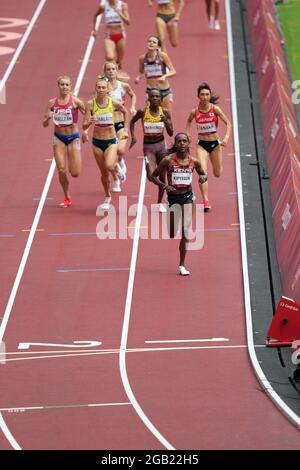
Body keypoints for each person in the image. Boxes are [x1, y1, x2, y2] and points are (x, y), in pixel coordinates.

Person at [151, 132, 207, 275]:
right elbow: (153, 176)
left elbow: (203, 174)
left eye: (184, 141)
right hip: (173, 199)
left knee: (185, 230)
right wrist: (164, 186)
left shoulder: (194, 161)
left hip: (188, 197)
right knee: (171, 233)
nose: (182, 143)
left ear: (188, 143)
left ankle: (182, 265)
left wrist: (202, 178)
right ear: (175, 144)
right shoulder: (167, 160)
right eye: (179, 141)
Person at [82, 76, 128, 210]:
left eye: (103, 87)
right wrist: (89, 121)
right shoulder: (90, 104)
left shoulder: (113, 103)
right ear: (95, 89)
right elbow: (84, 126)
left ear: (107, 89)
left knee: (109, 164)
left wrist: (125, 129)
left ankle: (117, 168)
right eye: (99, 87)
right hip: (97, 142)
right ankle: (107, 197)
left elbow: (125, 112)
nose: (101, 90)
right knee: (103, 174)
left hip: (111, 140)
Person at [185, 82, 231, 212]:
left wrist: (226, 137)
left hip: (215, 145)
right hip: (202, 145)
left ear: (210, 95)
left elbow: (228, 123)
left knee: (217, 173)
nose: (204, 97)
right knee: (202, 173)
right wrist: (187, 133)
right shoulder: (194, 112)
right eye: (202, 95)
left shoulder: (215, 109)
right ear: (198, 96)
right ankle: (206, 200)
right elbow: (188, 121)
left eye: (207, 94)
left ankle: (216, 166)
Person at [43, 75, 85, 208]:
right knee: (61, 170)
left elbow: (88, 116)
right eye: (62, 84)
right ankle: (67, 196)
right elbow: (44, 124)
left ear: (70, 86)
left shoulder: (76, 102)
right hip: (58, 138)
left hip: (73, 137)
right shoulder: (51, 103)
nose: (64, 87)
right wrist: (47, 119)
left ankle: (68, 193)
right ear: (58, 86)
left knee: (75, 173)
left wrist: (86, 130)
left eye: (67, 85)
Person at [129, 88, 173, 212]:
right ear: (148, 98)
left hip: (161, 147)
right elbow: (132, 122)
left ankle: (159, 203)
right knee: (150, 176)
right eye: (152, 96)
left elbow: (171, 133)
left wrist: (166, 122)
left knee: (162, 176)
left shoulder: (164, 112)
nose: (154, 98)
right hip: (148, 147)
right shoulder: (143, 111)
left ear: (161, 99)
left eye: (157, 96)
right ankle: (166, 187)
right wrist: (133, 137)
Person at [103, 60, 136, 192]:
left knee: (120, 150)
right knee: (110, 157)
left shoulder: (123, 85)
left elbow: (133, 95)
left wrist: (132, 106)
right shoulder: (102, 87)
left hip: (121, 121)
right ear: (105, 72)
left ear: (117, 71)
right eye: (108, 69)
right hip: (107, 124)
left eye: (113, 69)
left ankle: (121, 161)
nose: (111, 71)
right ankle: (116, 179)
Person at [135, 35, 176, 116]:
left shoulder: (162, 56)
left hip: (164, 91)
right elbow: (141, 72)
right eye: (149, 41)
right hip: (150, 91)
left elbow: (173, 71)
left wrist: (164, 76)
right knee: (148, 116)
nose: (151, 43)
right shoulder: (142, 58)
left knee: (167, 117)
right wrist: (138, 78)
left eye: (154, 42)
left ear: (158, 46)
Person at [92, 0, 130, 71]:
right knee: (110, 57)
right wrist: (94, 30)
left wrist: (119, 13)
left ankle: (118, 77)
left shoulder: (122, 5)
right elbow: (95, 15)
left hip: (120, 35)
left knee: (119, 61)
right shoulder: (103, 6)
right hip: (109, 35)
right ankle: (109, 75)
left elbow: (128, 21)